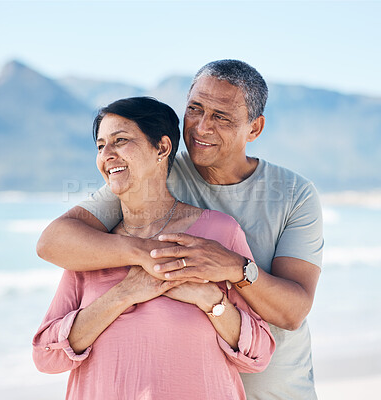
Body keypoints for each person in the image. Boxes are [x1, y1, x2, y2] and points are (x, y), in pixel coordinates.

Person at [37, 60, 323, 399]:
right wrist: (148, 259)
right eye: (195, 109)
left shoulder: (294, 195)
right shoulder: (149, 172)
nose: (201, 127)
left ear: (254, 129)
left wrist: (232, 268)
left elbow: (292, 312)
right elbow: (54, 241)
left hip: (275, 388)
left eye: (221, 117)